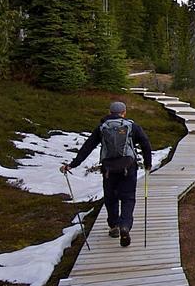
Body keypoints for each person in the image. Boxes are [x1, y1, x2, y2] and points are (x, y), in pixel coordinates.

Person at [61, 100, 153, 247]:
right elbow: (146, 144)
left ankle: (114, 226)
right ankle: (125, 226)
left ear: (109, 112)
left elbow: (87, 147)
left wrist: (73, 164)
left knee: (111, 198)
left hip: (108, 169)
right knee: (128, 198)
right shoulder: (132, 126)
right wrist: (148, 164)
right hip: (128, 168)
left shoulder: (102, 128)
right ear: (124, 112)